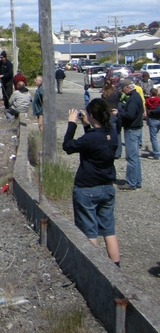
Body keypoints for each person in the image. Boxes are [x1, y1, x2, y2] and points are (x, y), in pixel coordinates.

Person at [62, 100, 120, 267]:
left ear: (92, 115)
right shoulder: (112, 133)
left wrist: (72, 124)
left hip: (87, 188)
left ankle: (94, 268)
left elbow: (68, 146)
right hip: (107, 187)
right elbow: (95, 141)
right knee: (109, 231)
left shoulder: (91, 138)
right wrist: (87, 125)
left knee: (89, 232)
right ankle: (115, 268)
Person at [116, 78, 144, 191]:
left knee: (131, 157)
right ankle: (137, 181)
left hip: (132, 129)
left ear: (127, 88)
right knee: (135, 157)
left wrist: (119, 113)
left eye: (122, 89)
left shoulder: (132, 99)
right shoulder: (137, 97)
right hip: (137, 129)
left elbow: (130, 115)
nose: (122, 91)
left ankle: (131, 182)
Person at [101, 79, 122, 158]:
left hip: (109, 114)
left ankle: (112, 151)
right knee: (118, 133)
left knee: (111, 134)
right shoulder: (117, 92)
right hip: (117, 113)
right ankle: (118, 152)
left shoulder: (104, 95)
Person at [145, 87, 160, 160]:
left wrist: (147, 119)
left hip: (152, 119)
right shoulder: (159, 99)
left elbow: (147, 109)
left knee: (153, 137)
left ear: (151, 93)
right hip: (159, 117)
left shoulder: (148, 100)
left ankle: (156, 153)